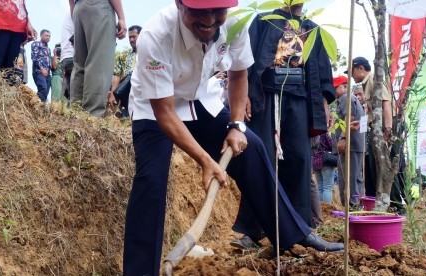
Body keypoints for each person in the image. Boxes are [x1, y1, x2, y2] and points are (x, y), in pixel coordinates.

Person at [123, 1, 343, 274]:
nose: (210, 20)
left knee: (253, 149)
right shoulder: (156, 34)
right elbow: (165, 112)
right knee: (151, 179)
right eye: (199, 10)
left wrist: (237, 125)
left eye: (218, 11)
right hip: (155, 105)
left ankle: (292, 236)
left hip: (201, 99)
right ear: (179, 4)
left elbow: (239, 74)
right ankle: (140, 270)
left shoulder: (235, 24)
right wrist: (205, 160)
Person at [231, 1, 336, 248]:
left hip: (298, 100)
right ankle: (253, 231)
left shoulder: (313, 29)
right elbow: (245, 62)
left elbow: (322, 71)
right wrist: (244, 94)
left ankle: (299, 230)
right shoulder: (263, 20)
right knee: (261, 158)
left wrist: (324, 103)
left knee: (300, 160)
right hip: (265, 97)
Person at [68, 0, 127, 117]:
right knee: (99, 63)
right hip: (99, 6)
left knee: (80, 64)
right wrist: (121, 17)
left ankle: (75, 112)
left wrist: (74, 12)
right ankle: (92, 115)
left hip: (78, 8)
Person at [347, 57, 393, 197]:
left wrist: (388, 130)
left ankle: (397, 206)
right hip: (376, 127)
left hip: (385, 128)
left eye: (352, 71)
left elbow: (386, 105)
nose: (351, 76)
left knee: (385, 167)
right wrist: (360, 123)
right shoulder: (366, 84)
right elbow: (374, 113)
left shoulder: (373, 80)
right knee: (374, 168)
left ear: (360, 68)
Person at [334, 76, 365, 206]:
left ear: (345, 87)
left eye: (336, 87)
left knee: (349, 180)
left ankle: (352, 209)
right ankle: (356, 206)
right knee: (354, 179)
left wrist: (343, 138)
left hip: (350, 146)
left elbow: (349, 118)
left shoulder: (347, 98)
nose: (333, 90)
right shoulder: (348, 99)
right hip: (353, 146)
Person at [108, 25, 142, 117]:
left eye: (134, 37)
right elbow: (117, 75)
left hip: (142, 93)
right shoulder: (123, 56)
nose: (131, 40)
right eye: (129, 37)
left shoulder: (148, 54)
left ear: (141, 36)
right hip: (125, 93)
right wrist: (112, 94)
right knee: (124, 118)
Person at [312, 133, 337, 204]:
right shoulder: (324, 133)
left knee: (319, 187)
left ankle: (320, 209)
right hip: (325, 161)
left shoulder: (312, 132)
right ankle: (327, 209)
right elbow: (332, 145)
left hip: (315, 162)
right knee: (327, 187)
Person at [31, 29, 52, 102]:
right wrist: (42, 69)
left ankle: (41, 108)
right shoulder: (36, 44)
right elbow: (34, 58)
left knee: (45, 93)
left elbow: (49, 62)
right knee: (43, 89)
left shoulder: (48, 49)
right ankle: (36, 105)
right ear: (41, 35)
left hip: (48, 74)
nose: (48, 37)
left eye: (49, 36)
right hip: (38, 71)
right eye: (46, 35)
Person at [60, 14, 74, 100]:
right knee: (77, 90)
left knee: (68, 90)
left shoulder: (67, 17)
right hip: (73, 56)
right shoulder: (76, 14)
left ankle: (69, 109)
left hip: (65, 57)